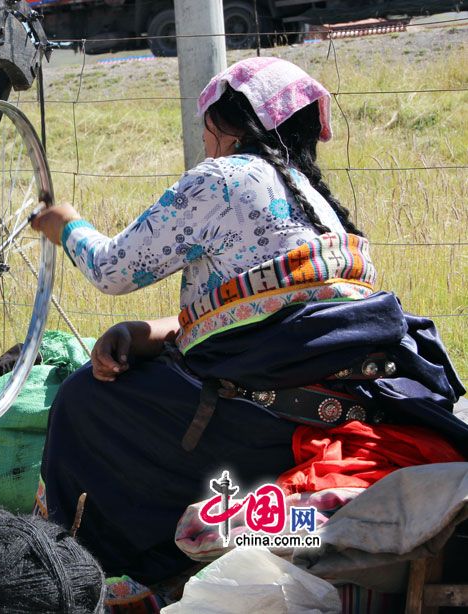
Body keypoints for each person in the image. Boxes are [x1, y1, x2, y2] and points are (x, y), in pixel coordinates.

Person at [29, 57, 467, 585]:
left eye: (208, 123)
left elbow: (113, 269)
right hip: (326, 414)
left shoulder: (224, 179)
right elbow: (266, 312)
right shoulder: (317, 203)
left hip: (260, 423)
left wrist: (65, 224)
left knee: (86, 400)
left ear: (230, 123)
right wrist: (146, 332)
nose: (206, 137)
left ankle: (81, 567)